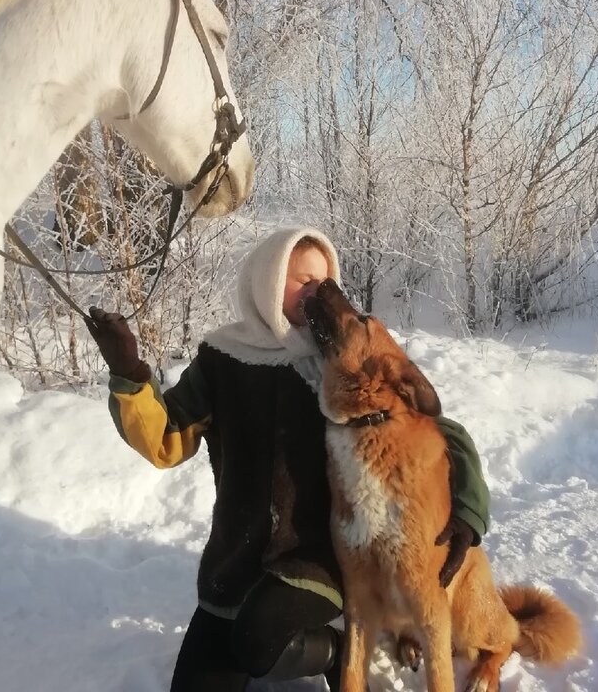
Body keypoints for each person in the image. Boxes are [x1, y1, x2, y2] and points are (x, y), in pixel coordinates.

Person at [86, 227, 490, 692]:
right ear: (268, 280)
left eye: (323, 281)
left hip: (316, 559)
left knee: (258, 641)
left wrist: (466, 511)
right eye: (302, 280)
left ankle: (337, 649)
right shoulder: (221, 359)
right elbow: (166, 438)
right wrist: (129, 373)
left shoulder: (338, 359)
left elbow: (438, 430)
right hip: (234, 561)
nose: (314, 293)